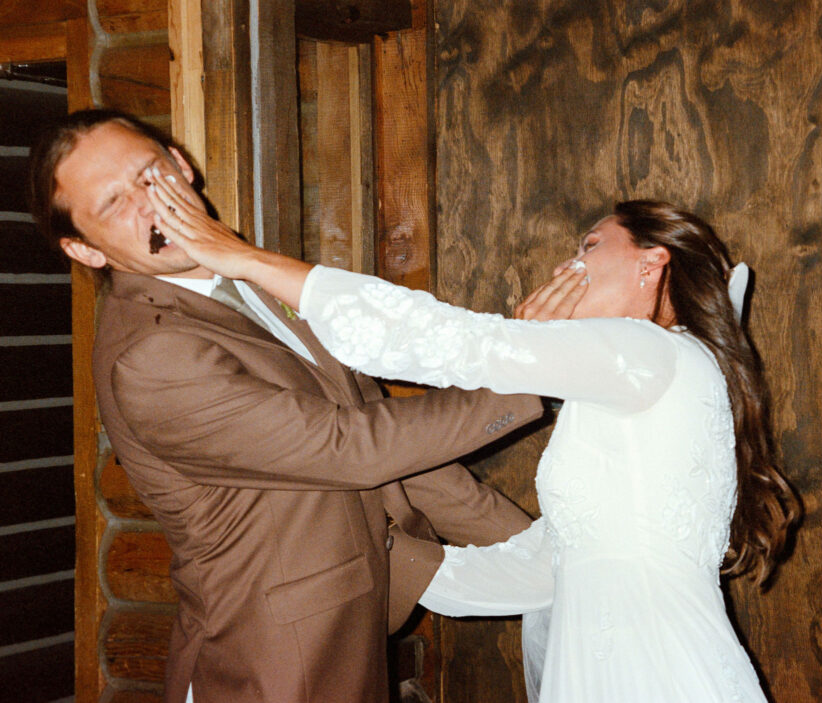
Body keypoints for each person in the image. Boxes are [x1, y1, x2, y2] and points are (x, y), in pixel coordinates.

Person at [147, 163, 800, 702]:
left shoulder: (648, 351)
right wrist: (383, 557)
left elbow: (440, 341)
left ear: (650, 264)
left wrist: (242, 257)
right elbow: (549, 564)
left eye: (590, 247)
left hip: (651, 671)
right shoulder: (643, 375)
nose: (566, 267)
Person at [28, 109, 545, 703]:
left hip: (349, 604)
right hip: (269, 658)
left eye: (150, 175)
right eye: (114, 204)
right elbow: (351, 447)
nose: (151, 206)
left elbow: (394, 448)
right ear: (85, 250)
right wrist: (532, 373)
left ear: (182, 164)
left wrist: (538, 550)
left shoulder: (245, 276)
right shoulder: (150, 355)